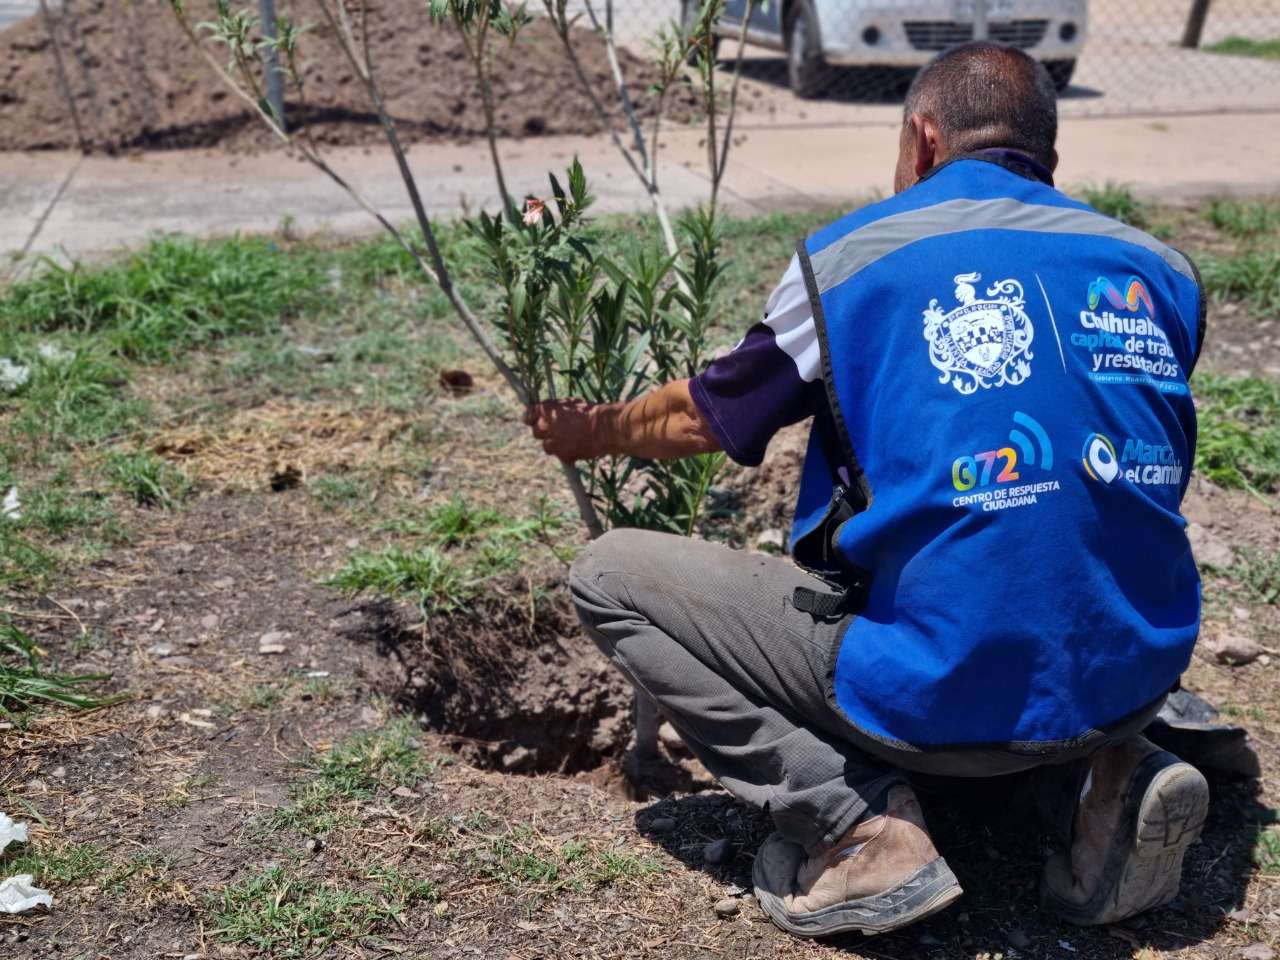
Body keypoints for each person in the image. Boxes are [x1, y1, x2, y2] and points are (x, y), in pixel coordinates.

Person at [525, 42, 1210, 938]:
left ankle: (854, 832)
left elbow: (705, 418)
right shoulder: (1157, 269)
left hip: (940, 694)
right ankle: (1108, 777)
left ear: (922, 141)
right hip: (1131, 672)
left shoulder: (854, 260)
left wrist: (594, 429)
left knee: (610, 575)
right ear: (1048, 159)